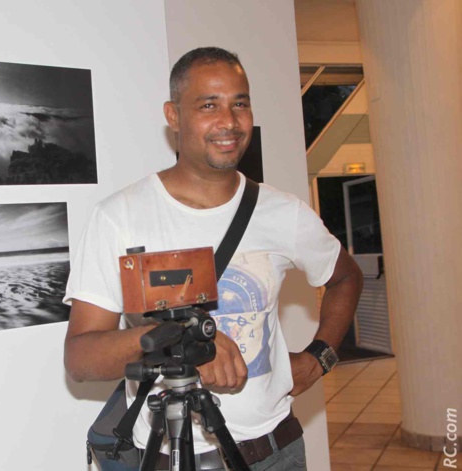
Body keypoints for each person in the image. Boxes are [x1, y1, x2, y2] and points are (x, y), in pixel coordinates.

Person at [64, 47, 363, 470]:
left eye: (240, 104)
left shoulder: (283, 212)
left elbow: (346, 278)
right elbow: (80, 358)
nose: (229, 121)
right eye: (209, 105)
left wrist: (320, 357)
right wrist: (179, 342)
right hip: (166, 456)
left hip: (273, 453)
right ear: (173, 116)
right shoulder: (120, 216)